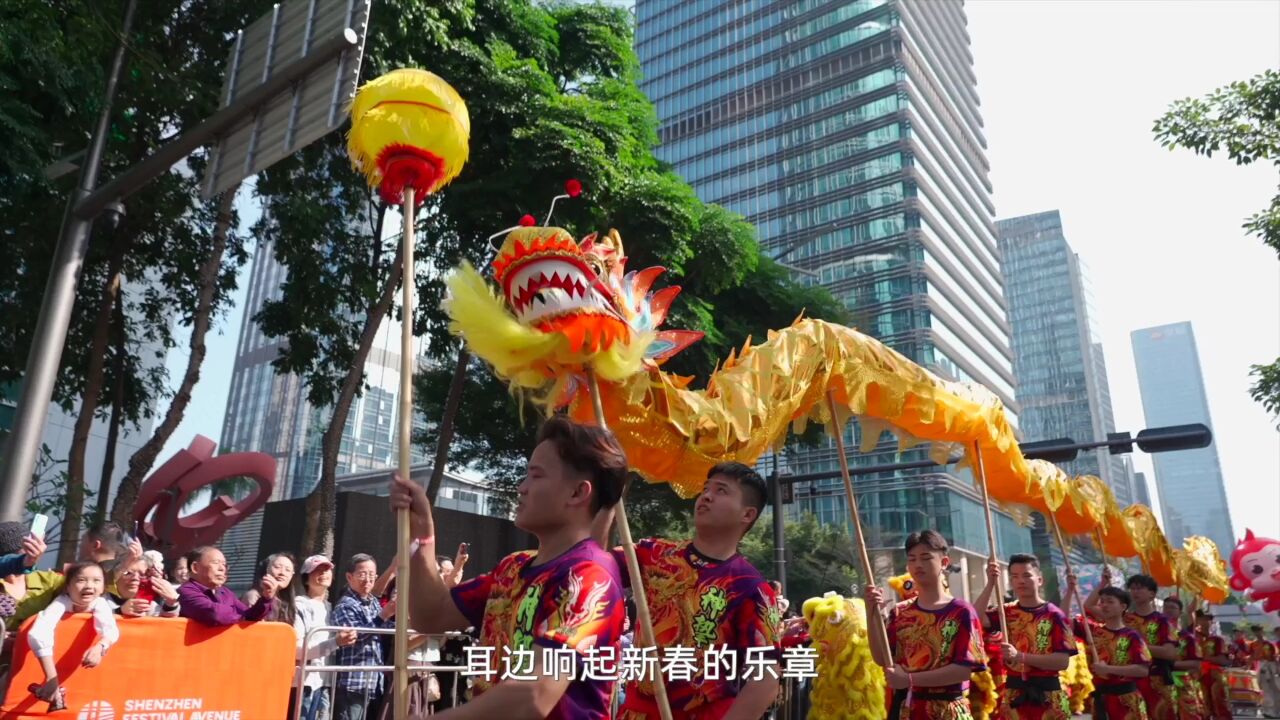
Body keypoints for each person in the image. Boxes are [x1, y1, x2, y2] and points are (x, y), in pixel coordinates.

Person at [391, 414, 628, 720]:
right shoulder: (513, 568)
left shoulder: (591, 576)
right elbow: (431, 616)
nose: (522, 487)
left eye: (536, 475)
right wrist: (421, 531)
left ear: (578, 493)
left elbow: (535, 694)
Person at [591, 461, 782, 720]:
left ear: (747, 515)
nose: (706, 496)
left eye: (721, 491)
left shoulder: (751, 588)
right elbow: (592, 565)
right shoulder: (654, 554)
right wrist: (608, 503)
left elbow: (765, 681)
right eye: (706, 488)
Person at [865, 530, 987, 720]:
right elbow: (882, 658)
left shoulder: (961, 611)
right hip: (908, 710)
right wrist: (871, 613)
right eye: (912, 559)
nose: (917, 565)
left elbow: (963, 670)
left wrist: (910, 679)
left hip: (948, 710)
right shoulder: (900, 612)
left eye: (925, 558)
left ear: (944, 562)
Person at [972, 554, 1074, 719]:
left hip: (1049, 697)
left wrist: (1020, 656)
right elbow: (974, 618)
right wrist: (990, 583)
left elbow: (1062, 661)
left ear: (1040, 580)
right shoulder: (1006, 612)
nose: (1020, 581)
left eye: (1026, 575)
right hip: (1014, 697)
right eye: (1015, 577)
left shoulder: (1056, 615)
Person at [4, 521, 139, 631]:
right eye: (28, 546)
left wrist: (126, 564)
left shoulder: (48, 580)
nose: (35, 550)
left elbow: (89, 583)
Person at [26, 563, 119, 711]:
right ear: (68, 586)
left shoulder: (100, 603)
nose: (89, 586)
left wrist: (100, 646)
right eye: (81, 580)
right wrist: (51, 679)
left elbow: (110, 629)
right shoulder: (61, 602)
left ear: (103, 588)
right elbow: (39, 634)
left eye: (96, 580)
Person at [331, 553, 395, 720]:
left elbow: (383, 628)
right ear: (349, 577)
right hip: (353, 683)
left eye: (372, 574)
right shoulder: (345, 605)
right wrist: (384, 614)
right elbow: (355, 635)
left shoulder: (373, 601)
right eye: (362, 574)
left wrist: (403, 623)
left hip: (374, 682)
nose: (368, 579)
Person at [295, 555, 358, 720]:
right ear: (306, 578)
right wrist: (336, 641)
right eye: (316, 570)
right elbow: (298, 649)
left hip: (325, 682)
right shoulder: (299, 606)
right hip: (305, 682)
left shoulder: (331, 607)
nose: (323, 573)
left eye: (327, 569)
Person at [1086, 586, 1151, 720]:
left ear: (1123, 607)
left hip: (1128, 701)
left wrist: (1108, 669)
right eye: (1102, 601)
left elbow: (1142, 670)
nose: (1104, 605)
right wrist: (1101, 583)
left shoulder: (1132, 636)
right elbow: (1085, 607)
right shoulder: (1094, 633)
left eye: (1110, 601)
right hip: (1102, 700)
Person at [178, 546, 279, 626]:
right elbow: (215, 614)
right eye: (216, 563)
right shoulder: (185, 591)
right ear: (195, 567)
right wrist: (241, 616)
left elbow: (250, 616)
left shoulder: (225, 592)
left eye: (224, 564)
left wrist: (266, 598)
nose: (222, 568)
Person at [1162, 595, 1207, 720]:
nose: (1168, 610)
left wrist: (1170, 665)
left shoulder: (1186, 637)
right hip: (1158, 681)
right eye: (1165, 607)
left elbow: (1196, 664)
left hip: (1181, 681)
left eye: (1173, 608)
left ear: (1180, 612)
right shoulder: (1154, 635)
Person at [1192, 610, 1232, 720]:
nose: (1205, 622)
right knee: (1199, 708)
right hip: (1196, 677)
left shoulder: (1217, 640)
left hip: (1214, 677)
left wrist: (1203, 657)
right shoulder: (1191, 638)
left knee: (1220, 707)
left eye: (1208, 619)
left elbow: (1224, 660)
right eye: (1202, 619)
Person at [111, 556, 180, 617]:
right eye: (128, 573)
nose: (135, 578)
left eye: (142, 574)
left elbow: (166, 624)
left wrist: (171, 603)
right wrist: (119, 611)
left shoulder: (148, 605)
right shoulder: (102, 601)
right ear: (115, 575)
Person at [244, 552, 298, 625]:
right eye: (277, 567)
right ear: (266, 570)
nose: (282, 573)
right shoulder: (254, 596)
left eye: (287, 570)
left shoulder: (288, 602)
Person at [1252, 625, 1279, 719]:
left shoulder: (1267, 644)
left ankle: (1273, 712)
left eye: (1258, 630)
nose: (1257, 633)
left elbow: (1271, 657)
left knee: (1271, 689)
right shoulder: (1254, 644)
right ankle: (1268, 710)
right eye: (1255, 631)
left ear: (1262, 631)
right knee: (1264, 689)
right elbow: (1253, 656)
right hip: (1261, 666)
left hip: (1269, 668)